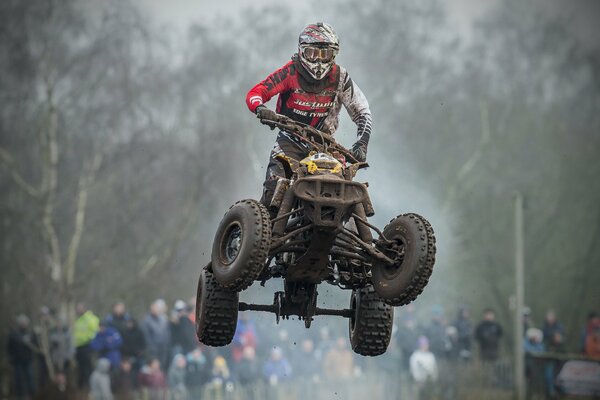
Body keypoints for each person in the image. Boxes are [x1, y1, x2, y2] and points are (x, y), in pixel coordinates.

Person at [245, 22, 373, 208]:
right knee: (273, 190)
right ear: (301, 51)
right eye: (312, 53)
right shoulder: (290, 72)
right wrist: (261, 109)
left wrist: (362, 144)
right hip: (290, 141)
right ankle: (263, 228)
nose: (319, 61)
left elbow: (363, 112)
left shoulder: (340, 77)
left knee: (349, 191)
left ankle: (358, 232)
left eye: (325, 54)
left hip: (326, 145)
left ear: (334, 54)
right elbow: (256, 93)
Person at [7, 314, 36, 399]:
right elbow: (9, 347)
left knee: (30, 377)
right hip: (17, 361)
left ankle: (32, 394)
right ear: (19, 323)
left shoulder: (30, 333)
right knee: (18, 379)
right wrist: (11, 357)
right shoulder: (14, 333)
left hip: (27, 360)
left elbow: (34, 345)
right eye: (22, 322)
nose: (24, 324)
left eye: (25, 322)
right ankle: (19, 395)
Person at [74, 302, 99, 389]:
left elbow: (95, 331)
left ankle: (90, 388)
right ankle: (82, 389)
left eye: (80, 308)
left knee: (88, 368)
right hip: (79, 347)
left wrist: (88, 339)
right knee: (80, 369)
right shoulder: (78, 319)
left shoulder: (91, 318)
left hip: (87, 346)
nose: (78, 310)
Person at [141, 299, 171, 370]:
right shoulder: (147, 321)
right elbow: (146, 337)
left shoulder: (163, 319)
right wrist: (151, 349)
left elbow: (167, 334)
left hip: (163, 348)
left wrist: (167, 345)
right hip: (152, 349)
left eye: (158, 308)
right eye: (155, 308)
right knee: (154, 368)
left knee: (162, 367)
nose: (156, 310)